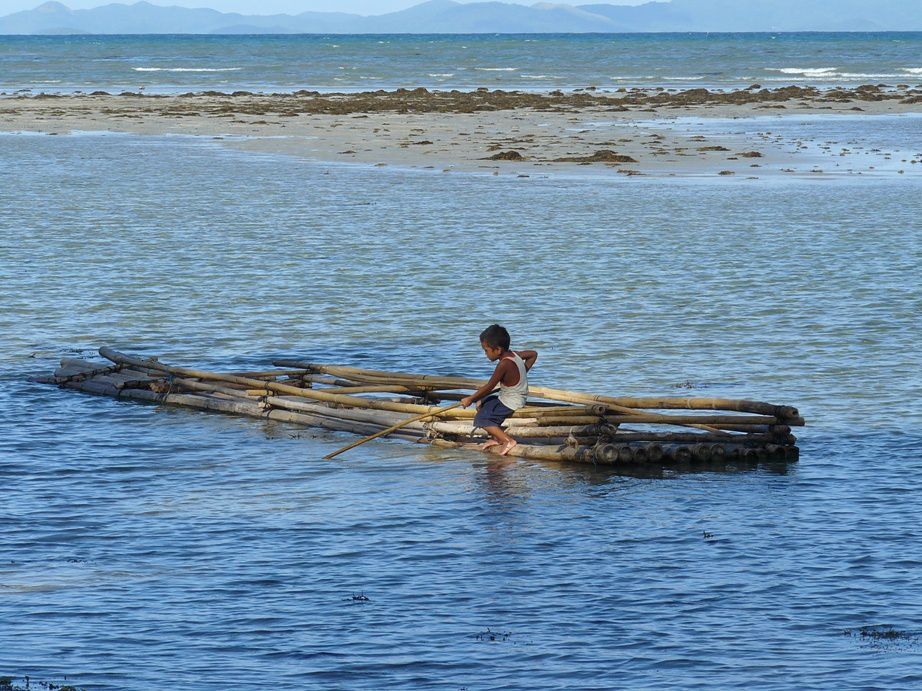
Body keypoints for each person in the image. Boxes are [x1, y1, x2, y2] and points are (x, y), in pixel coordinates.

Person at [459, 324, 538, 456]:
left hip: (511, 401)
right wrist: (523, 371)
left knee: (481, 419)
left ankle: (507, 440)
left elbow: (489, 386)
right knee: (481, 403)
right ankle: (496, 438)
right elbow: (533, 355)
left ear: (498, 350)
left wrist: (470, 399)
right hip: (513, 397)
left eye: (486, 350)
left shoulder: (504, 364)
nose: (485, 354)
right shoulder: (514, 355)